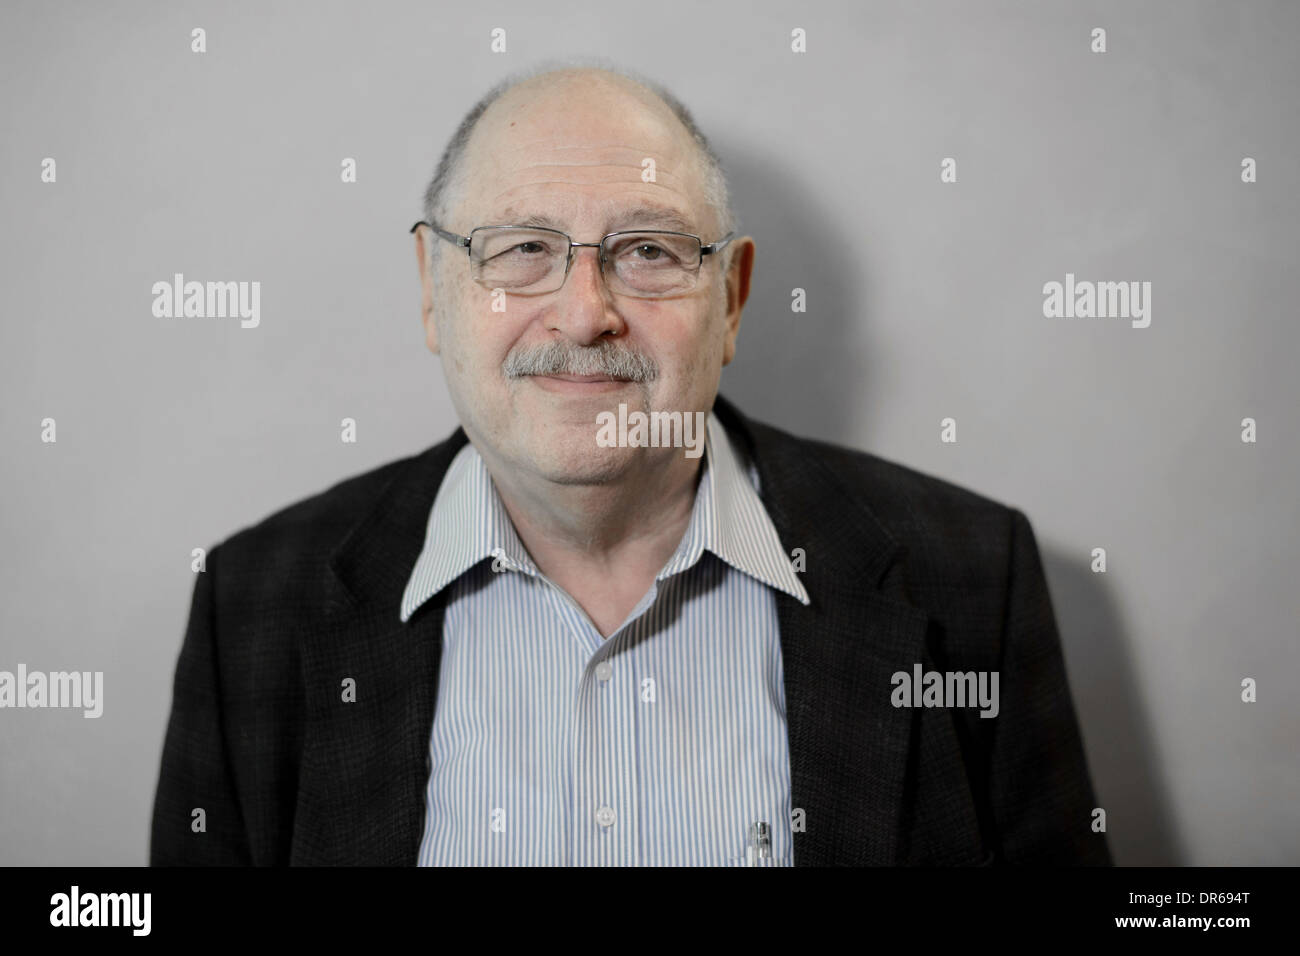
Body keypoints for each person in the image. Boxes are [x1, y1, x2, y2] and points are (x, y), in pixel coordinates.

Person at [150, 60, 1109, 866]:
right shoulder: (256, 606)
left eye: (646, 250)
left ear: (729, 300)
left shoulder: (974, 578)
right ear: (433, 293)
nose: (582, 313)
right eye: (521, 248)